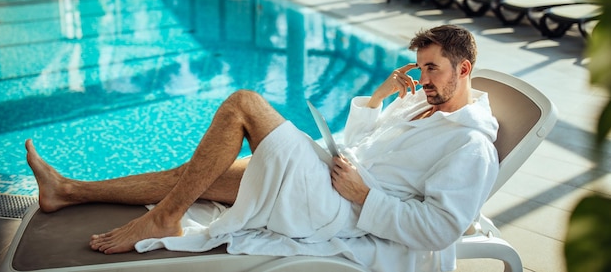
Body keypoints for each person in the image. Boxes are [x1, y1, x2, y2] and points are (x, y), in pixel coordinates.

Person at [26, 24, 499, 272]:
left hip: (339, 209)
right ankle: (67, 191)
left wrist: (363, 196)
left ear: (464, 68)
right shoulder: (422, 106)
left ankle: (161, 218)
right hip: (331, 179)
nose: (423, 79)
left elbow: (439, 229)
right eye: (420, 68)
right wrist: (377, 99)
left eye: (433, 69)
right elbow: (361, 144)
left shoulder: (470, 145)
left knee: (244, 104)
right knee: (199, 174)